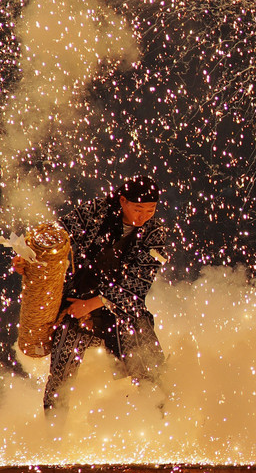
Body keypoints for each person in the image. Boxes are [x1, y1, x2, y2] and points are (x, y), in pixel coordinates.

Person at [13, 176, 169, 414]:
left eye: (151, 210)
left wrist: (94, 304)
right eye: (138, 209)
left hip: (123, 309)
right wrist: (28, 256)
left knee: (149, 368)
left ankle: (163, 423)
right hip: (76, 301)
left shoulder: (154, 233)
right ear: (123, 201)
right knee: (61, 373)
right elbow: (58, 234)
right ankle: (52, 431)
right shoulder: (97, 211)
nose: (143, 216)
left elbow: (139, 283)